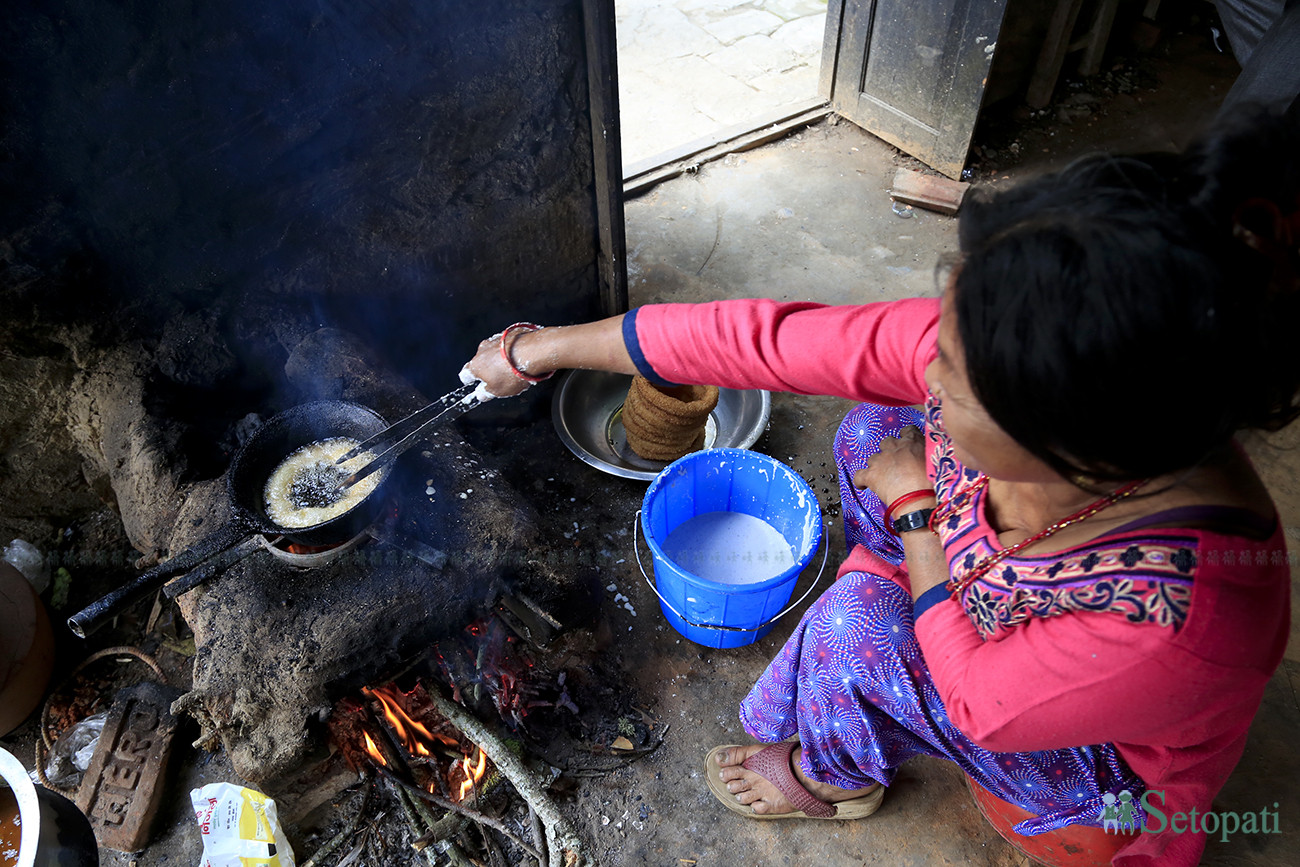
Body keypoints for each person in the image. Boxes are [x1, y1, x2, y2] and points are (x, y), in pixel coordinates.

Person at [462, 104, 1299, 866]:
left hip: (1091, 786)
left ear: (1063, 448)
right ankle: (900, 608)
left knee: (854, 622)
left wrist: (915, 511)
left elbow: (979, 704)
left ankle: (835, 775)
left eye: (953, 378)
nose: (927, 365)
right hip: (1006, 602)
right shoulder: (1037, 355)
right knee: (872, 423)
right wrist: (543, 348)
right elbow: (767, 341)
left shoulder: (1190, 616)